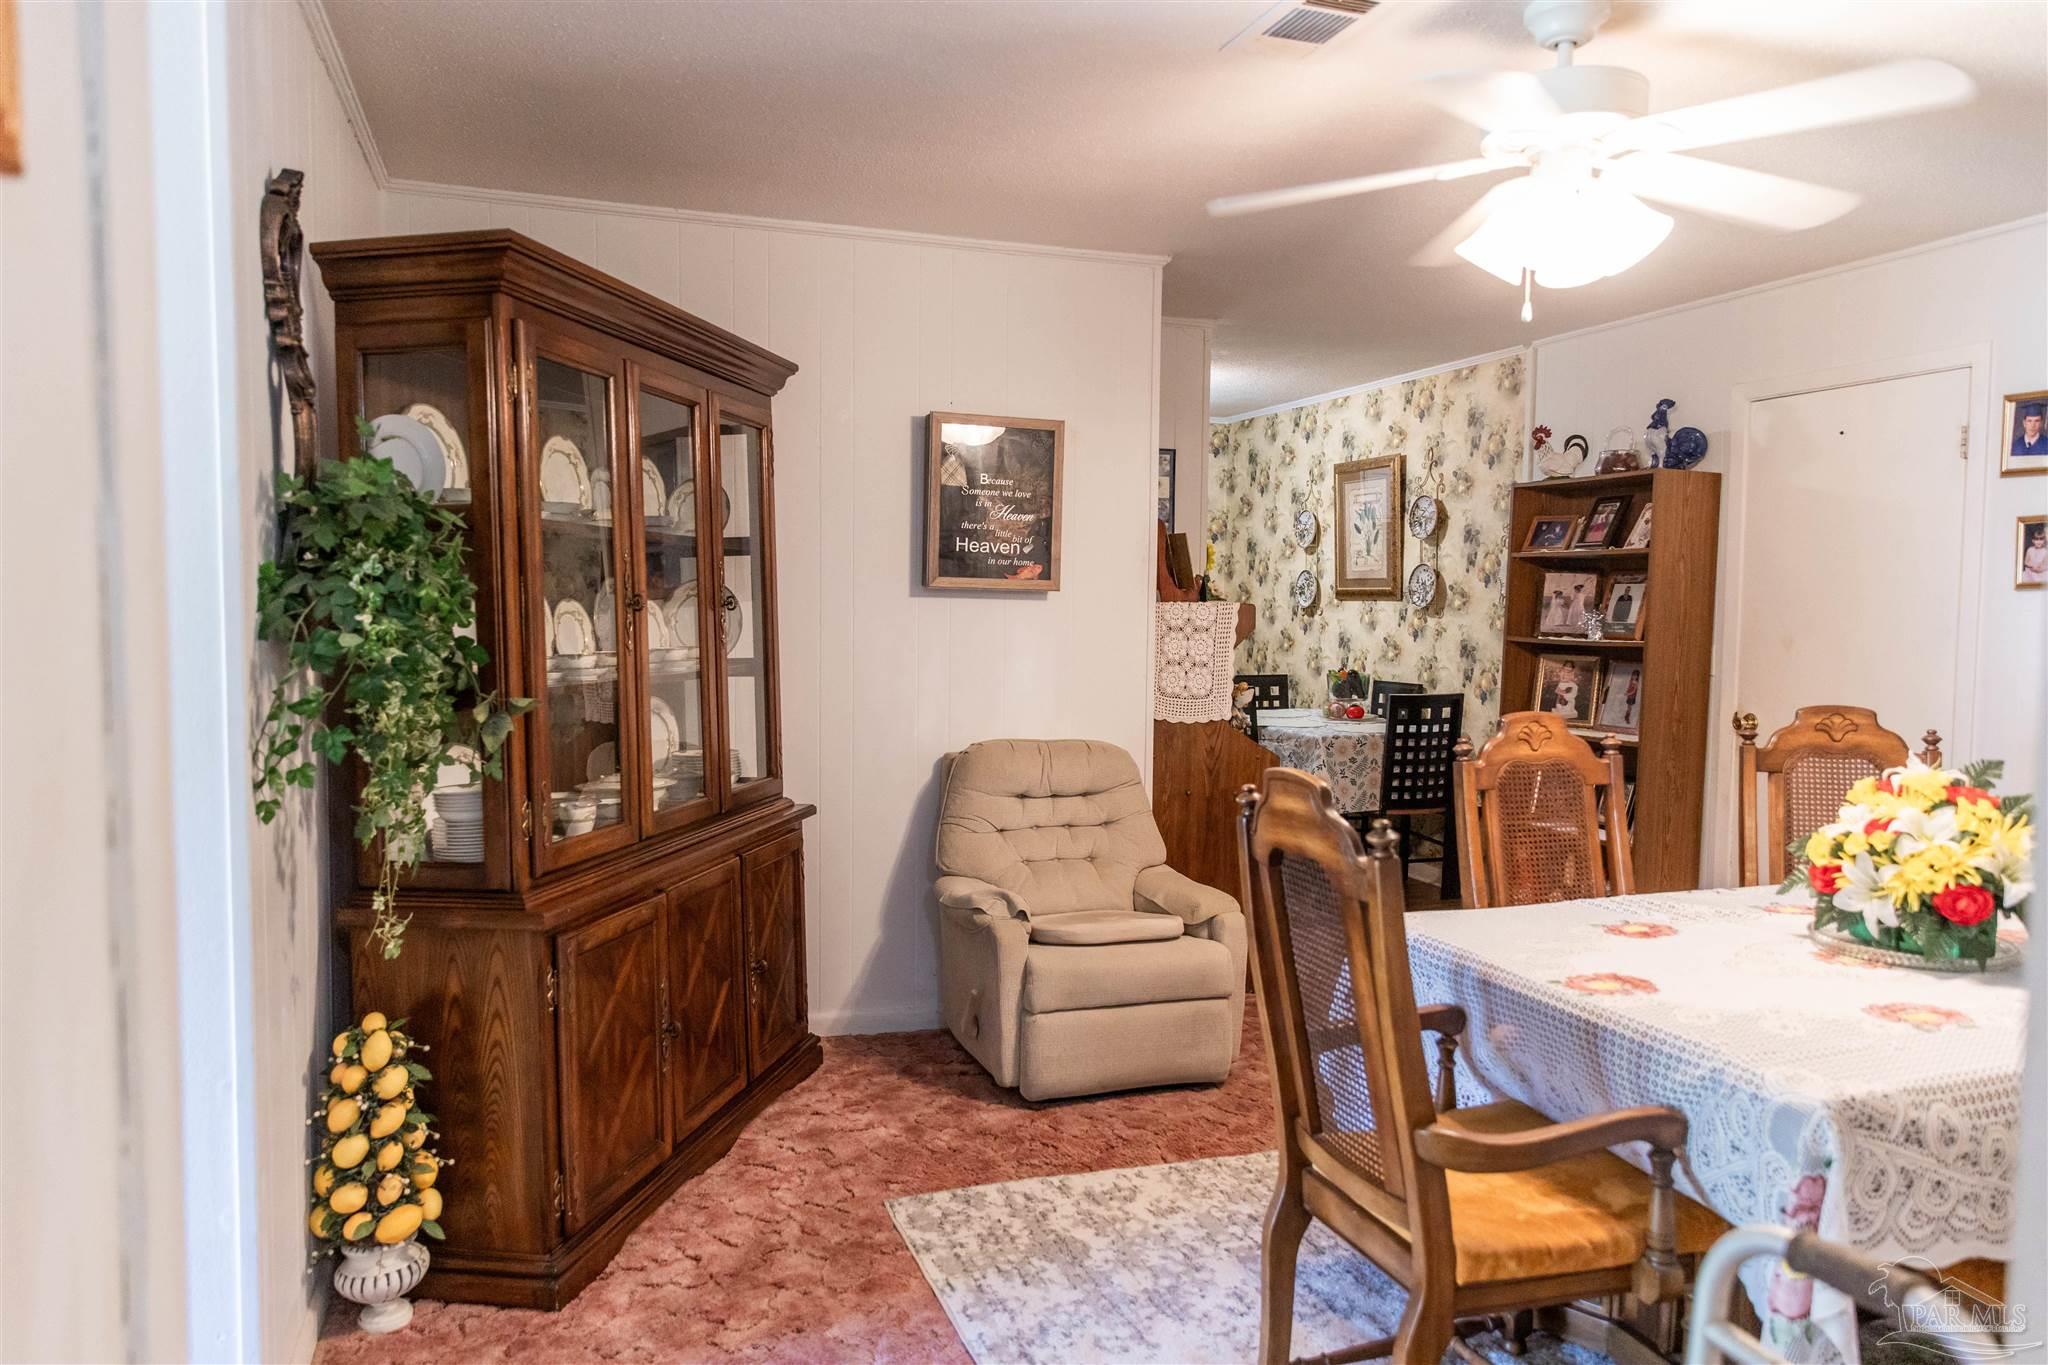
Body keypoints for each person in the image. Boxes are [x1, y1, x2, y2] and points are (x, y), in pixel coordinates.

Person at [2023, 521, 2047, 585]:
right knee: (2025, 577)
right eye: (2036, 539)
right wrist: (2031, 565)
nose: (2039, 542)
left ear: (2044, 541)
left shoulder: (2045, 551)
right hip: (2030, 572)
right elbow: (2025, 562)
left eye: (2041, 539)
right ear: (2033, 541)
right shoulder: (2030, 550)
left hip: (2040, 572)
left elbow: (2046, 565)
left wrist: (2040, 569)